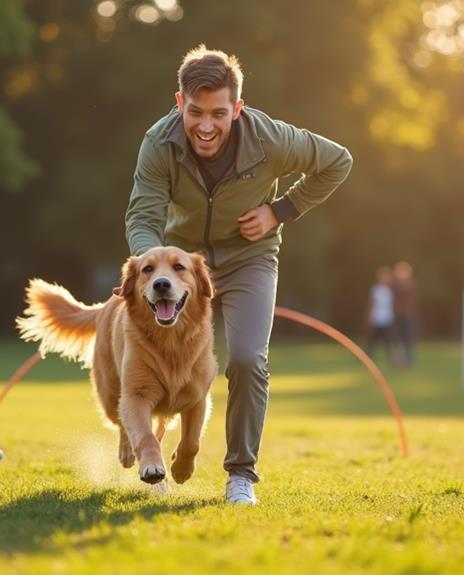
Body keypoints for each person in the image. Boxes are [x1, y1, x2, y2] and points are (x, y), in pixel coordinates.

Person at [125, 45, 353, 505]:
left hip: (250, 257)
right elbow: (142, 215)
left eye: (218, 113)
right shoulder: (159, 142)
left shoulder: (268, 138)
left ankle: (241, 475)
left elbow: (337, 161)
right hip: (184, 271)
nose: (205, 126)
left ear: (238, 109)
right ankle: (147, 442)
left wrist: (281, 210)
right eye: (195, 113)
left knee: (248, 358)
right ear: (179, 104)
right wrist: (156, 271)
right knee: (154, 367)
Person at [392, 261, 418, 366]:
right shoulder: (394, 285)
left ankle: (409, 359)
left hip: (408, 315)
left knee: (408, 337)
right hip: (397, 314)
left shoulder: (411, 284)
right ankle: (398, 360)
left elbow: (413, 299)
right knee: (397, 338)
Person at [365, 267, 395, 362]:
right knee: (372, 340)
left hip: (387, 318)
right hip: (377, 318)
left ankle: (390, 358)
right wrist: (369, 317)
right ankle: (367, 357)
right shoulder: (376, 289)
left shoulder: (390, 290)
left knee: (388, 340)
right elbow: (371, 304)